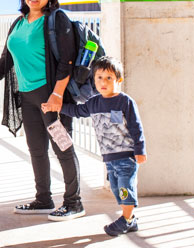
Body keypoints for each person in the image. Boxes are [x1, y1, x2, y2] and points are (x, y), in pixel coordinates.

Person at [0, 0, 85, 221]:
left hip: (51, 96)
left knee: (62, 147)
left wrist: (57, 95)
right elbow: (6, 59)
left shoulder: (56, 19)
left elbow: (67, 61)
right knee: (36, 149)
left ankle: (74, 202)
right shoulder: (18, 23)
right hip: (27, 96)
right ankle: (43, 199)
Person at [57, 56, 147, 236]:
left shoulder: (124, 101)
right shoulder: (94, 102)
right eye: (99, 77)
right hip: (109, 158)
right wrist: (57, 107)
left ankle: (126, 219)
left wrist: (140, 150)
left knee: (124, 188)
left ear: (118, 80)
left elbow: (136, 127)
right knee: (116, 188)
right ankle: (131, 220)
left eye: (109, 78)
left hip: (126, 156)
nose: (103, 82)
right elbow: (76, 111)